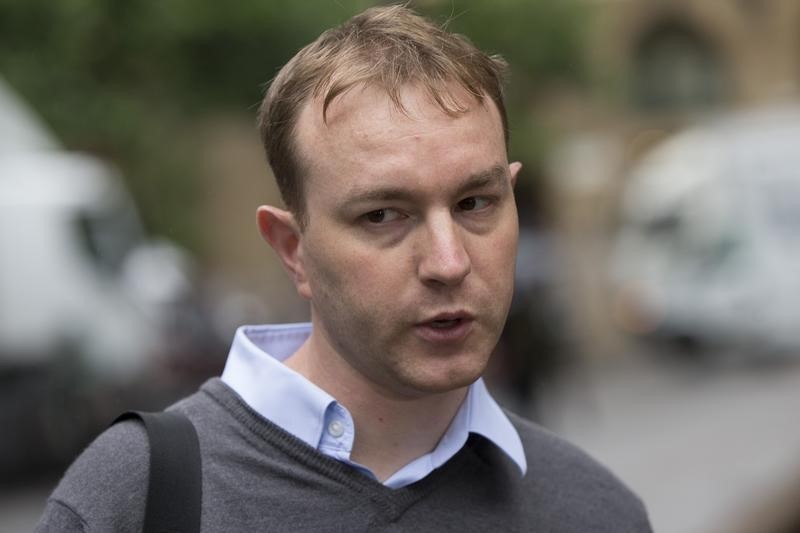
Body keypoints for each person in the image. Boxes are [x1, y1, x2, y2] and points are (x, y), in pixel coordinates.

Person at [37, 5, 651, 532]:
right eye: (384, 215)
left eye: (474, 204)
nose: (448, 261)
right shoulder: (140, 497)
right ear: (291, 248)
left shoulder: (592, 510)